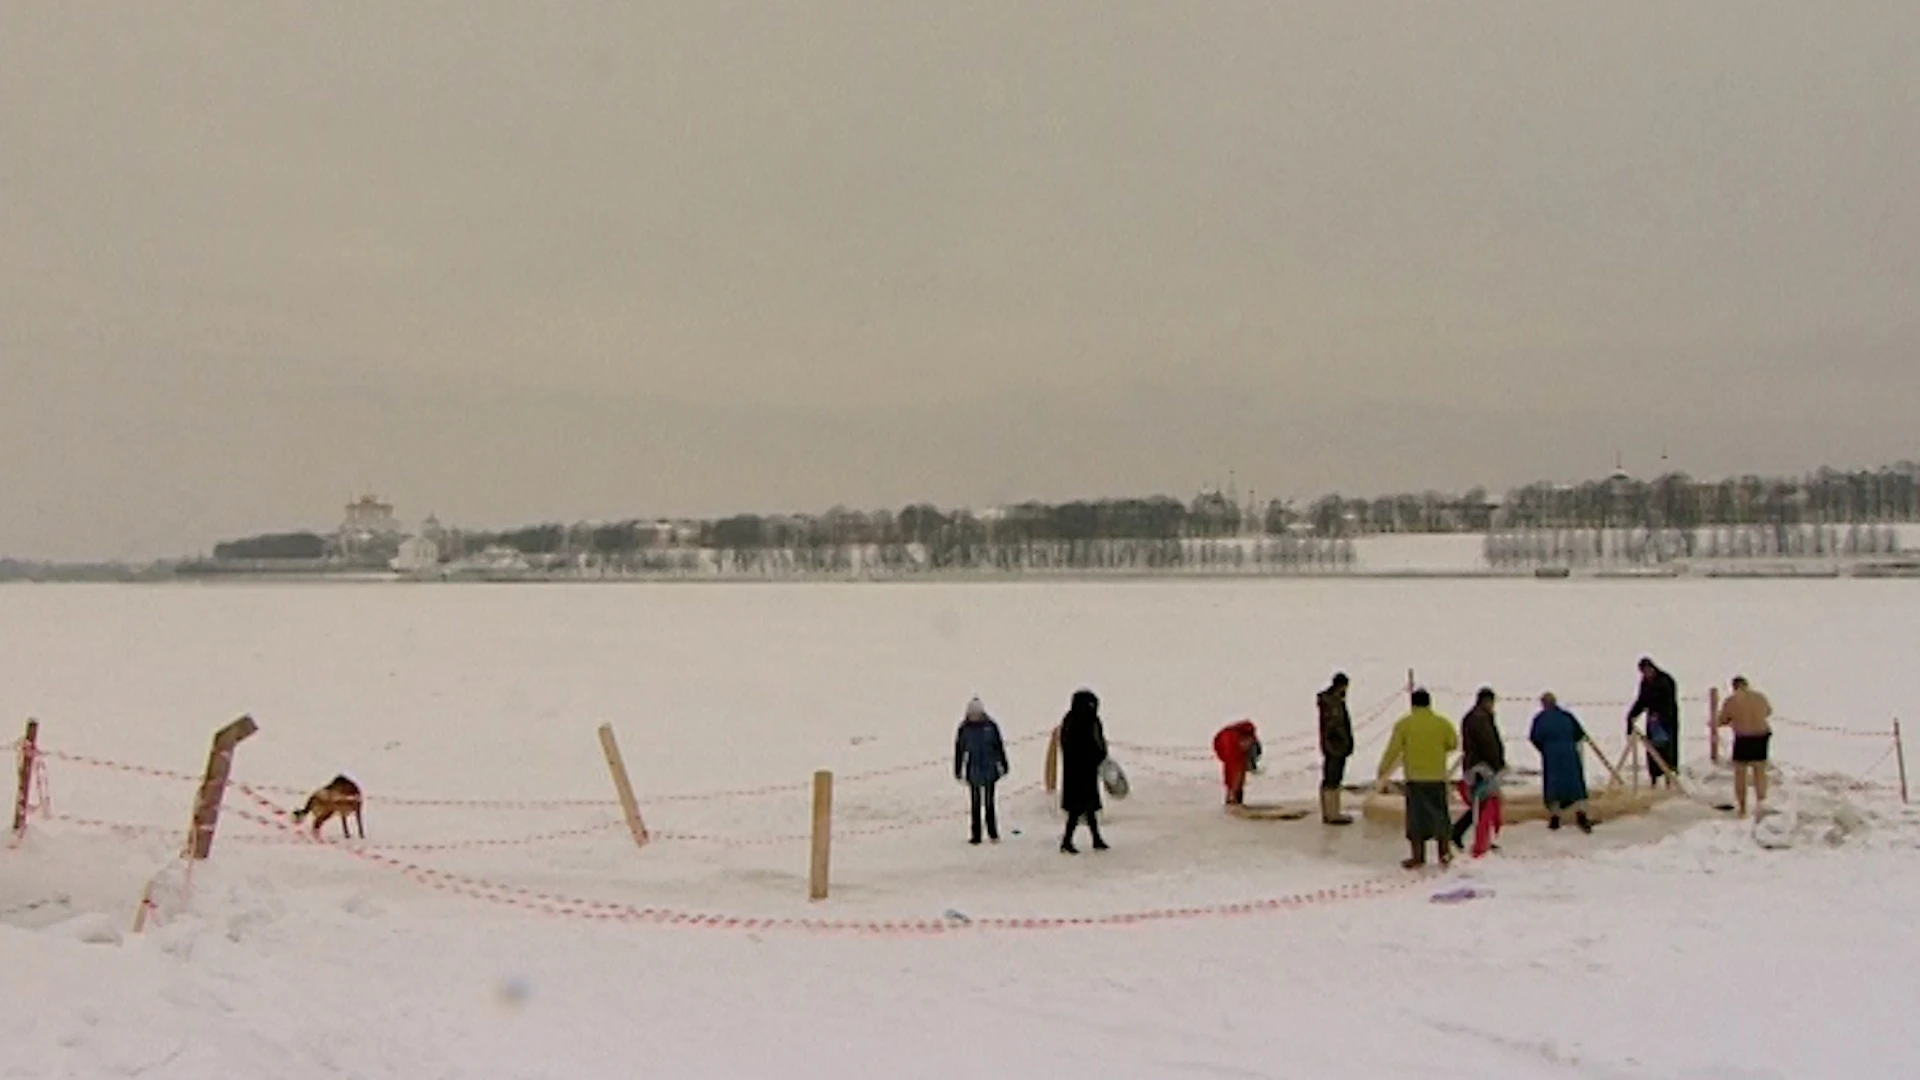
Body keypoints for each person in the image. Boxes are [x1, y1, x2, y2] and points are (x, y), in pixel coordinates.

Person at [1375, 688, 1458, 869]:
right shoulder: (1442, 723)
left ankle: (1418, 857)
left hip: (1415, 779)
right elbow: (1453, 744)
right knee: (1440, 817)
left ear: (1412, 703)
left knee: (1416, 820)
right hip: (1437, 777)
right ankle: (1444, 853)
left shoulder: (1404, 724)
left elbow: (1393, 750)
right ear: (1429, 703)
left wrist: (1382, 769)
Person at [1451, 687, 1507, 856]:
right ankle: (1477, 839)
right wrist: (1497, 763)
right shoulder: (1481, 719)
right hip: (1483, 768)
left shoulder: (1473, 717)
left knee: (1481, 804)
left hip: (1475, 766)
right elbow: (1489, 744)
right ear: (1487, 701)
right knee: (1485, 804)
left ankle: (1461, 832)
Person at [1530, 692, 1593, 833]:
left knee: (1554, 787)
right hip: (1570, 753)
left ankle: (1555, 818)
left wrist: (1545, 749)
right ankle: (1581, 815)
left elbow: (1535, 737)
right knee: (1575, 786)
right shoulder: (1566, 716)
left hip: (1552, 756)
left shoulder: (1540, 719)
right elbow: (1579, 734)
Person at [1057, 688, 1110, 854]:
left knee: (1089, 807)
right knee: (1077, 809)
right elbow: (1070, 746)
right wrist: (1091, 756)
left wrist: (1100, 756)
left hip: (1088, 770)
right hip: (1076, 772)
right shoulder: (1073, 721)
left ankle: (1095, 838)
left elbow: (1099, 740)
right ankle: (1068, 841)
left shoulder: (1092, 720)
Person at [1713, 676, 1774, 817]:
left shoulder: (1731, 701)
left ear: (1734, 687)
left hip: (1743, 738)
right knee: (1760, 770)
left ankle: (1742, 807)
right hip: (1761, 736)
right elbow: (1768, 712)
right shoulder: (1760, 697)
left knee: (1740, 773)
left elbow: (1722, 720)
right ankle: (1761, 802)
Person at [954, 696, 1010, 845]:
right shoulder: (964, 729)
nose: (974, 717)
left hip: (990, 770)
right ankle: (976, 835)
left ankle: (993, 833)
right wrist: (958, 769)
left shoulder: (991, 727)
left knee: (990, 804)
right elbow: (959, 750)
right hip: (974, 771)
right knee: (975, 805)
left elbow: (998, 747)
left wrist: (1003, 764)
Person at [1627, 657, 1681, 788]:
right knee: (1652, 750)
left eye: (1647, 670)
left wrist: (1659, 713)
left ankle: (1669, 779)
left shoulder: (1665, 680)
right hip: (1653, 721)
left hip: (1666, 721)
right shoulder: (1645, 683)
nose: (1646, 674)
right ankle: (1654, 780)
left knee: (1667, 750)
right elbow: (1642, 701)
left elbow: (1668, 701)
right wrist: (1632, 716)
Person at [1317, 673, 1355, 825]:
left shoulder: (1332, 701)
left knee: (1331, 778)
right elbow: (1337, 725)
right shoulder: (1334, 703)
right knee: (1333, 778)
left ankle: (1330, 811)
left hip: (1332, 745)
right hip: (1336, 746)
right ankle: (1332, 813)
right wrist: (1344, 742)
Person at [1212, 719, 1261, 806]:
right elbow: (1232, 771)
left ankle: (1236, 797)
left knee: (1238, 773)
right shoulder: (1230, 746)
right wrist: (1232, 792)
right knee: (1234, 773)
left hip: (1235, 747)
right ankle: (1233, 799)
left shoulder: (1250, 740)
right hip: (1227, 748)